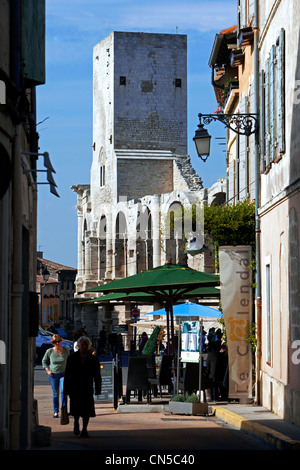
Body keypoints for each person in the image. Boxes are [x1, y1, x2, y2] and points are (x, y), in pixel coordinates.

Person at [64, 336, 102, 437]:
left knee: (87, 410)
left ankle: (85, 429)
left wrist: (98, 388)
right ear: (79, 346)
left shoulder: (93, 359)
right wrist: (66, 389)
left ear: (89, 346)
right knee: (76, 409)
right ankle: (76, 423)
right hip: (74, 387)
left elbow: (97, 375)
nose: (84, 347)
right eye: (82, 345)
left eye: (86, 345)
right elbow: (67, 374)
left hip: (87, 387)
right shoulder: (72, 358)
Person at [42, 334, 70, 418]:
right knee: (56, 393)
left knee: (64, 392)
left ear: (61, 341)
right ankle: (56, 411)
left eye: (58, 341)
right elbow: (44, 362)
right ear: (52, 343)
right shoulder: (49, 351)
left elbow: (70, 362)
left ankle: (64, 409)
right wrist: (48, 370)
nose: (57, 343)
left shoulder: (65, 350)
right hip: (53, 375)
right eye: (55, 342)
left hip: (64, 374)